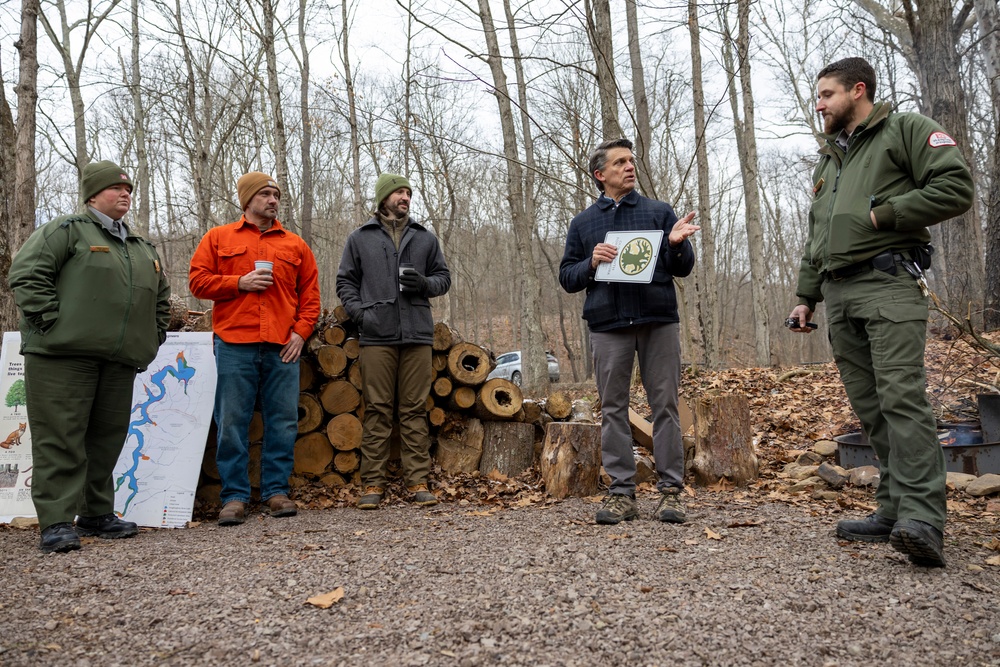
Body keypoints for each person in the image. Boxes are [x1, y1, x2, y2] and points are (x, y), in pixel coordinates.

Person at [788, 58, 974, 567]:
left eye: (827, 94)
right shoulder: (830, 160)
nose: (820, 104)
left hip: (888, 284)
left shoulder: (906, 130)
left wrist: (884, 214)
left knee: (902, 401)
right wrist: (807, 296)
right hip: (840, 293)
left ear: (858, 90)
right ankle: (893, 510)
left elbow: (956, 188)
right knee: (872, 409)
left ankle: (923, 519)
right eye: (818, 96)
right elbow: (817, 237)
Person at [8, 160, 171, 553]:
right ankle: (57, 521)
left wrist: (152, 336)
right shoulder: (66, 230)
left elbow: (161, 299)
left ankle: (96, 513)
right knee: (60, 438)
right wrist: (51, 324)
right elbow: (27, 274)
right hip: (63, 357)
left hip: (119, 360)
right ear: (93, 195)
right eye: (115, 188)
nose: (124, 193)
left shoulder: (140, 246)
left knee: (106, 440)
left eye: (128, 188)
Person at [559, 138, 699, 526]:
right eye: (619, 162)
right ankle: (622, 493)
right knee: (614, 410)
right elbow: (567, 278)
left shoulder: (658, 212)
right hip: (609, 326)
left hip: (658, 322)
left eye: (631, 161)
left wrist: (675, 244)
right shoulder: (584, 223)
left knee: (666, 407)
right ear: (600, 174)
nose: (629, 167)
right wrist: (590, 262)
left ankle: (672, 492)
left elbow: (683, 267)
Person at [189, 172, 321, 526]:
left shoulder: (295, 245)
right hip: (234, 344)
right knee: (232, 422)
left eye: (276, 194)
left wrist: (300, 334)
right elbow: (197, 281)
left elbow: (310, 298)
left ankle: (276, 492)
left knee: (283, 421)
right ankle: (234, 497)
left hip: (282, 347)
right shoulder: (218, 238)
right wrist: (239, 282)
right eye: (265, 194)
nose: (273, 200)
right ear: (247, 200)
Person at [336, 173, 451, 509]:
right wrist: (363, 315)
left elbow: (443, 279)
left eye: (408, 193)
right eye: (399, 192)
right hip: (376, 335)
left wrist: (424, 284)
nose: (405, 197)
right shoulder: (360, 238)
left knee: (414, 409)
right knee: (378, 410)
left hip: (416, 333)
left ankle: (418, 481)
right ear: (383, 197)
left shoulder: (425, 238)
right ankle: (373, 484)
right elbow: (345, 283)